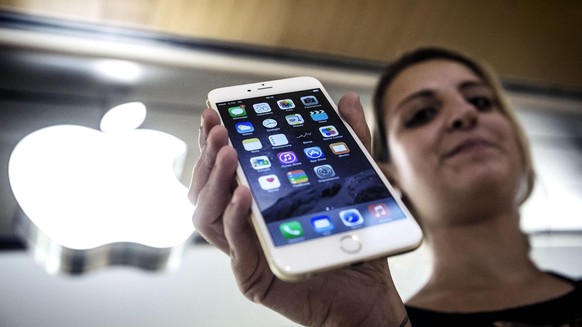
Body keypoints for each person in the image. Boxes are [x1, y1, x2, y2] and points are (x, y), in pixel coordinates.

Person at [189, 47, 582, 326]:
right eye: (423, 113)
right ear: (389, 174)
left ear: (516, 139)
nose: (464, 114)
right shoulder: (388, 320)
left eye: (480, 101)